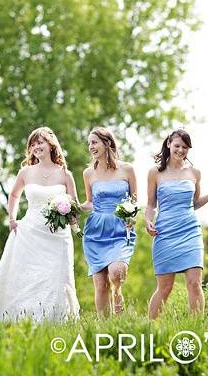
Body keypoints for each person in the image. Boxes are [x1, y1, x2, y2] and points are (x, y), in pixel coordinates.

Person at [0, 127, 80, 322]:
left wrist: (74, 223)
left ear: (51, 145)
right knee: (28, 276)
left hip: (58, 236)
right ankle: (22, 318)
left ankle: (54, 320)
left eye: (40, 142)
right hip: (31, 232)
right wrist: (13, 218)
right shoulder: (26, 172)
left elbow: (73, 204)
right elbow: (14, 195)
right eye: (33, 144)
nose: (36, 147)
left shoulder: (65, 174)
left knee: (56, 277)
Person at [145, 129, 208, 319]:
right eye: (177, 146)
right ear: (168, 144)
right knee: (165, 287)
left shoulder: (194, 173)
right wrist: (148, 221)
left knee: (194, 282)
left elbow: (195, 204)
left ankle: (196, 327)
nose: (181, 150)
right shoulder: (155, 173)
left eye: (185, 147)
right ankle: (150, 327)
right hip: (165, 233)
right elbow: (151, 204)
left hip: (190, 231)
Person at [80, 127, 137, 315]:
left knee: (116, 272)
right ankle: (104, 329)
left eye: (94, 142)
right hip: (96, 231)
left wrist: (132, 218)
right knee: (100, 284)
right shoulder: (89, 173)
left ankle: (119, 307)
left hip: (120, 229)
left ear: (107, 143)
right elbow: (90, 203)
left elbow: (134, 201)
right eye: (89, 143)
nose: (91, 147)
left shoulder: (127, 169)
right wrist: (73, 208)